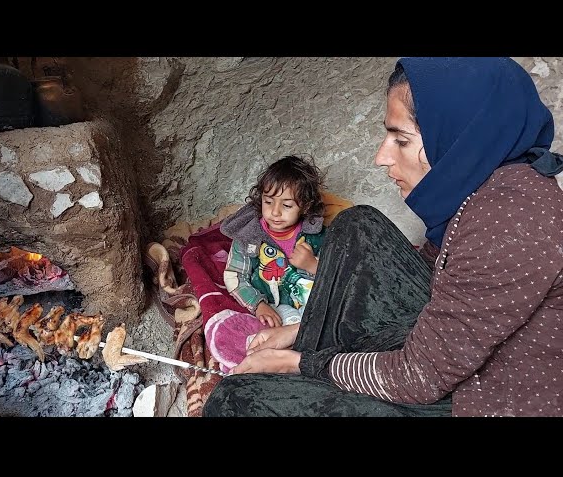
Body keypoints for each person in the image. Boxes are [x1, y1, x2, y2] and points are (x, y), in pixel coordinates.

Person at [203, 57, 563, 417]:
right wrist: (299, 330)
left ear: (459, 138)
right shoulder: (491, 184)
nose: (381, 157)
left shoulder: (508, 224)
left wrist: (298, 364)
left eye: (401, 140)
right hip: (448, 352)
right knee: (356, 226)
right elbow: (435, 279)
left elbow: (417, 377)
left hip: (488, 395)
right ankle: (314, 350)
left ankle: (301, 369)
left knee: (235, 399)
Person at [220, 155, 326, 328]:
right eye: (268, 202)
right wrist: (258, 305)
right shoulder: (248, 236)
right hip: (275, 308)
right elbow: (234, 275)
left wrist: (313, 265)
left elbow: (339, 273)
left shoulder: (316, 234)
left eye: (287, 205)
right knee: (289, 327)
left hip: (313, 304)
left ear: (305, 206)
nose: (275, 212)